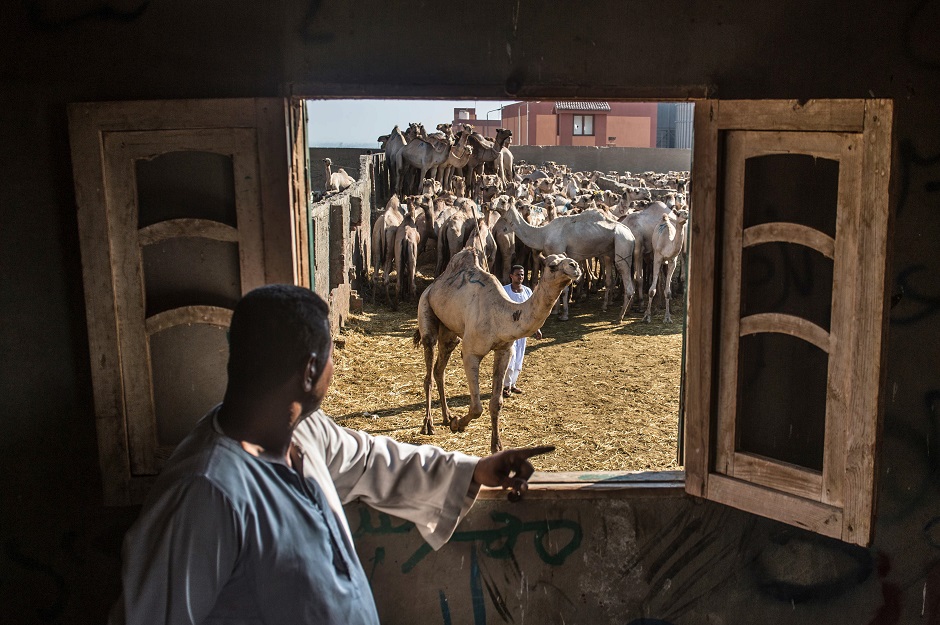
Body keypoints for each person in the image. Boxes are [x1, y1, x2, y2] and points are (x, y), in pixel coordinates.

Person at [109, 284, 552, 625]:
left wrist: (473, 471)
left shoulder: (301, 433)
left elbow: (374, 460)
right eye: (330, 356)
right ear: (309, 371)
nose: (334, 367)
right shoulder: (207, 492)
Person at [502, 264, 543, 398]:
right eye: (518, 274)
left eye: (522, 275)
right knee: (510, 357)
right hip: (508, 330)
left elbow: (532, 311)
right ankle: (505, 386)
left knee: (519, 357)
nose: (520, 277)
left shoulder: (527, 291)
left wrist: (536, 328)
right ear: (511, 276)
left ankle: (513, 384)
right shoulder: (504, 291)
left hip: (523, 331)